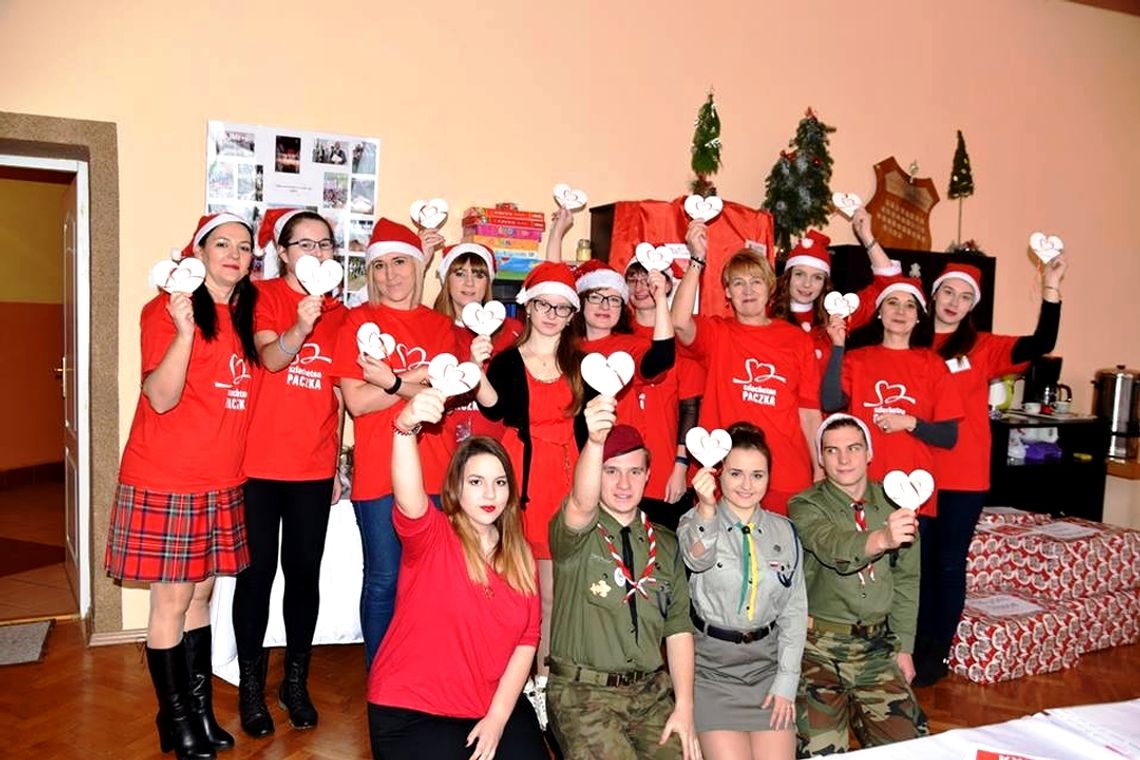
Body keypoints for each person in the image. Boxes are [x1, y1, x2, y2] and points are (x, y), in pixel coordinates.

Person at [105, 212, 260, 760]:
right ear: (197, 251)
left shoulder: (241, 315)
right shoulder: (166, 310)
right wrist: (185, 332)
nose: (234, 254)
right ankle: (175, 720)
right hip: (168, 477)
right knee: (171, 600)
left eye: (244, 246)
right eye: (222, 244)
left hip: (220, 479)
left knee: (201, 595)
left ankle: (196, 711)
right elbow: (162, 396)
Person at [366, 389, 547, 760]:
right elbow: (407, 495)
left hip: (489, 703)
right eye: (476, 481)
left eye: (499, 482)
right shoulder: (432, 535)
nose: (489, 493)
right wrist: (403, 429)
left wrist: (497, 718)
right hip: (412, 710)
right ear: (456, 488)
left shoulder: (521, 554)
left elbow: (527, 640)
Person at [913, 256, 1067, 685]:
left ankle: (935, 654)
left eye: (965, 297)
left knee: (946, 565)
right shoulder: (909, 339)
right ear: (934, 294)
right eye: (948, 292)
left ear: (971, 305)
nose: (953, 303)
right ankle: (908, 650)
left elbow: (1040, 343)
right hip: (913, 474)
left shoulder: (983, 347)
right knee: (915, 566)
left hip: (963, 477)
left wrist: (1050, 288)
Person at [329, 217, 462, 668]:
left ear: (418, 266)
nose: (390, 275)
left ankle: (423, 670)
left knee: (429, 580)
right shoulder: (357, 321)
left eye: (400, 261)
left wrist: (389, 380)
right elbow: (357, 402)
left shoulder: (441, 327)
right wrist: (415, 379)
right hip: (377, 471)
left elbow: (444, 397)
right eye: (380, 265)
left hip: (435, 471)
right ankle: (381, 675)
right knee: (383, 579)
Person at [233, 209, 346, 737]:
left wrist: (342, 461)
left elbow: (340, 391)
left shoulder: (341, 313)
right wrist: (302, 323)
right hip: (257, 465)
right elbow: (271, 359)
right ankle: (251, 687)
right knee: (256, 578)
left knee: (304, 576)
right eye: (304, 243)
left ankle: (294, 682)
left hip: (313, 467)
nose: (317, 253)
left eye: (325, 244)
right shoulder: (260, 296)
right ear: (281, 251)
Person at [546, 399, 699, 760]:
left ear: (648, 475)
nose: (623, 483)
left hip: (650, 694)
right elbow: (582, 504)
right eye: (611, 471)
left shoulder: (666, 543)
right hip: (584, 694)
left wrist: (685, 709)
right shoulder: (576, 535)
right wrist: (594, 442)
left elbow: (678, 630)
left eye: (634, 471)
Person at [476, 260, 584, 723]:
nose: (551, 314)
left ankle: (549, 681)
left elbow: (590, 425)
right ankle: (522, 682)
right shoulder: (505, 360)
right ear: (529, 305)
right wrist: (476, 368)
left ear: (570, 314)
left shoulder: (581, 363)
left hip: (570, 476)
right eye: (544, 303)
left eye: (561, 307)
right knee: (521, 588)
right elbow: (494, 412)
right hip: (521, 478)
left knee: (559, 591)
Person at [788, 414, 928, 755]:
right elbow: (832, 544)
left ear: (869, 452)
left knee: (913, 750)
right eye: (832, 451)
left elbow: (907, 579)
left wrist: (905, 648)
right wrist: (882, 537)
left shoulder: (896, 501)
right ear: (820, 458)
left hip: (877, 648)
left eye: (853, 448)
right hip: (817, 649)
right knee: (820, 753)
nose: (844, 459)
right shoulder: (805, 505)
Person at [672, 220, 823, 515]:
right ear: (727, 292)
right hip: (723, 473)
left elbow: (809, 412)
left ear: (769, 287)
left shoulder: (797, 340)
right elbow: (678, 321)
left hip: (786, 475)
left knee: (781, 560)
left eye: (755, 281)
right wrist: (696, 260)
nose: (748, 290)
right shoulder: (717, 333)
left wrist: (819, 470)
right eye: (738, 283)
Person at [677, 422, 807, 760]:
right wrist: (706, 507)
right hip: (712, 671)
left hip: (767, 668)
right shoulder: (693, 522)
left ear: (768, 478)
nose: (746, 485)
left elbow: (794, 614)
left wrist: (786, 683)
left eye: (757, 475)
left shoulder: (785, 532)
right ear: (719, 475)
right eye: (736, 474)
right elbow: (698, 559)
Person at [821, 275, 963, 514]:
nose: (900, 311)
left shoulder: (933, 364)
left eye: (910, 305)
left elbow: (948, 436)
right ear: (879, 312)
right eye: (892, 303)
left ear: (918, 317)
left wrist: (910, 423)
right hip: (861, 485)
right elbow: (830, 401)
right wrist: (837, 346)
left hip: (914, 487)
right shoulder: (857, 359)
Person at [624, 258, 704, 525]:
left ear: (667, 284)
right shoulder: (616, 334)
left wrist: (681, 467)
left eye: (647, 279)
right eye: (632, 279)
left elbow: (689, 408)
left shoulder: (682, 339)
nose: (640, 287)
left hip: (664, 468)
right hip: (620, 467)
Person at [767, 210, 899, 369]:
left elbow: (890, 285)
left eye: (817, 277)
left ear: (825, 283)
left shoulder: (836, 315)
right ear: (788, 277)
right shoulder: (766, 312)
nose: (807, 284)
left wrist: (867, 236)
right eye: (800, 274)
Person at [428, 236, 522, 442]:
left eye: (478, 275)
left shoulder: (513, 331)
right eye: (459, 273)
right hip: (442, 446)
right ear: (446, 279)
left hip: (496, 448)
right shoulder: (431, 329)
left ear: (488, 281)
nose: (469, 283)